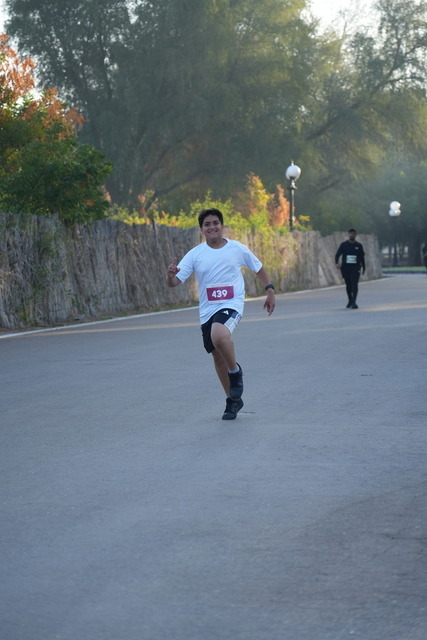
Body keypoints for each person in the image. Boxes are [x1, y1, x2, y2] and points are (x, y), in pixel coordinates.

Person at [166, 208, 276, 420]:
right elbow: (174, 282)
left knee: (219, 335)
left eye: (215, 223)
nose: (212, 227)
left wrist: (270, 290)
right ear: (201, 229)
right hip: (207, 310)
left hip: (231, 303)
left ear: (222, 225)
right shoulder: (196, 254)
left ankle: (235, 372)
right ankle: (233, 400)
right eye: (207, 224)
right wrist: (170, 276)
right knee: (217, 356)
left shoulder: (237, 248)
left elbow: (258, 268)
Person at [335, 228, 366, 309]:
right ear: (348, 234)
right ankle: (350, 300)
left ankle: (354, 302)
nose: (352, 235)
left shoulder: (359, 245)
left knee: (354, 284)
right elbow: (337, 255)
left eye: (353, 233)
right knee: (348, 285)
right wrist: (337, 263)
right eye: (350, 233)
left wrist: (364, 267)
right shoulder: (344, 245)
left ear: (356, 235)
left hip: (355, 267)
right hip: (345, 267)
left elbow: (362, 257)